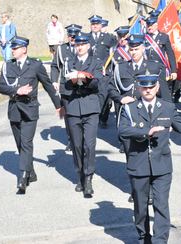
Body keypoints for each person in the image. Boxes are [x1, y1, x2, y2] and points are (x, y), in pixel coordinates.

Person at [118, 74, 181, 243]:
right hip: (138, 165)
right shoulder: (130, 109)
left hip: (162, 166)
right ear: (138, 88)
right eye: (144, 87)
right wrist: (146, 132)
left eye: (151, 87)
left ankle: (160, 240)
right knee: (141, 207)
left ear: (157, 88)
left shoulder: (167, 108)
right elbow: (122, 130)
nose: (148, 90)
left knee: (161, 205)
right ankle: (143, 237)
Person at [0, 36, 62, 194]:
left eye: (16, 48)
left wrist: (58, 105)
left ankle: (23, 177)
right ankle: (31, 171)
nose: (13, 50)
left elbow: (47, 85)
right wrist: (16, 90)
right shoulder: (8, 66)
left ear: (24, 49)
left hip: (30, 109)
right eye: (12, 48)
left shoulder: (35, 65)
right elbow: (1, 86)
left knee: (26, 143)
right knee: (20, 144)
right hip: (14, 110)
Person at [62, 32, 103, 198]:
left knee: (89, 145)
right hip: (73, 109)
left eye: (82, 45)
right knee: (77, 146)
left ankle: (88, 178)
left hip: (90, 108)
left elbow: (97, 82)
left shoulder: (96, 62)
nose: (79, 47)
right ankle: (79, 174)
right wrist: (75, 82)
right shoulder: (68, 63)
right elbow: (63, 87)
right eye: (77, 45)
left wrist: (82, 80)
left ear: (88, 46)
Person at [51, 24, 82, 152]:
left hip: (81, 86)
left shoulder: (84, 47)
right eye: (70, 36)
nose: (72, 38)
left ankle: (81, 137)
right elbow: (55, 66)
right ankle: (71, 140)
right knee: (68, 115)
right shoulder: (61, 49)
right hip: (66, 87)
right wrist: (54, 81)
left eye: (74, 36)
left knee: (81, 114)